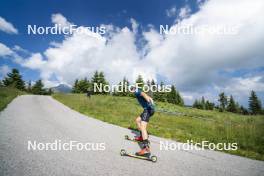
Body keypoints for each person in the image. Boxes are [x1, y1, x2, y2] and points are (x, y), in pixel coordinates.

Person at [131, 86, 155, 156]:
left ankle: (146, 149)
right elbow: (149, 97)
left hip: (148, 109)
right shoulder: (138, 91)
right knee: (138, 120)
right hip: (148, 109)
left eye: (131, 89)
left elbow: (144, 94)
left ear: (133, 89)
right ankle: (142, 137)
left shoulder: (137, 91)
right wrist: (151, 103)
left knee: (143, 127)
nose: (131, 91)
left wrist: (149, 104)